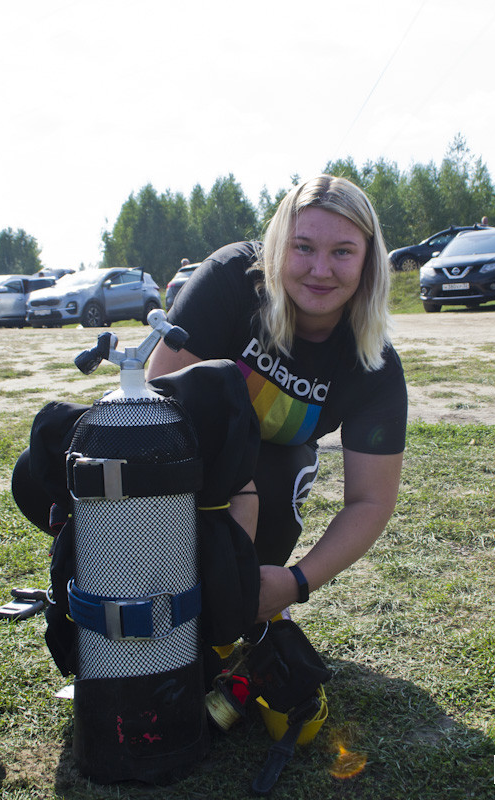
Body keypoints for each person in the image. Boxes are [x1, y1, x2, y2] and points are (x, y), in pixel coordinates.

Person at [148, 175, 407, 624]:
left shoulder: (375, 366)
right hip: (184, 450)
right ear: (276, 247)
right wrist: (236, 489)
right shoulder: (232, 277)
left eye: (342, 252)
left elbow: (371, 501)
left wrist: (296, 582)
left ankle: (231, 606)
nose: (320, 270)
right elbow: (157, 397)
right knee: (37, 471)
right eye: (303, 247)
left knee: (281, 476)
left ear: (368, 262)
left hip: (274, 473)